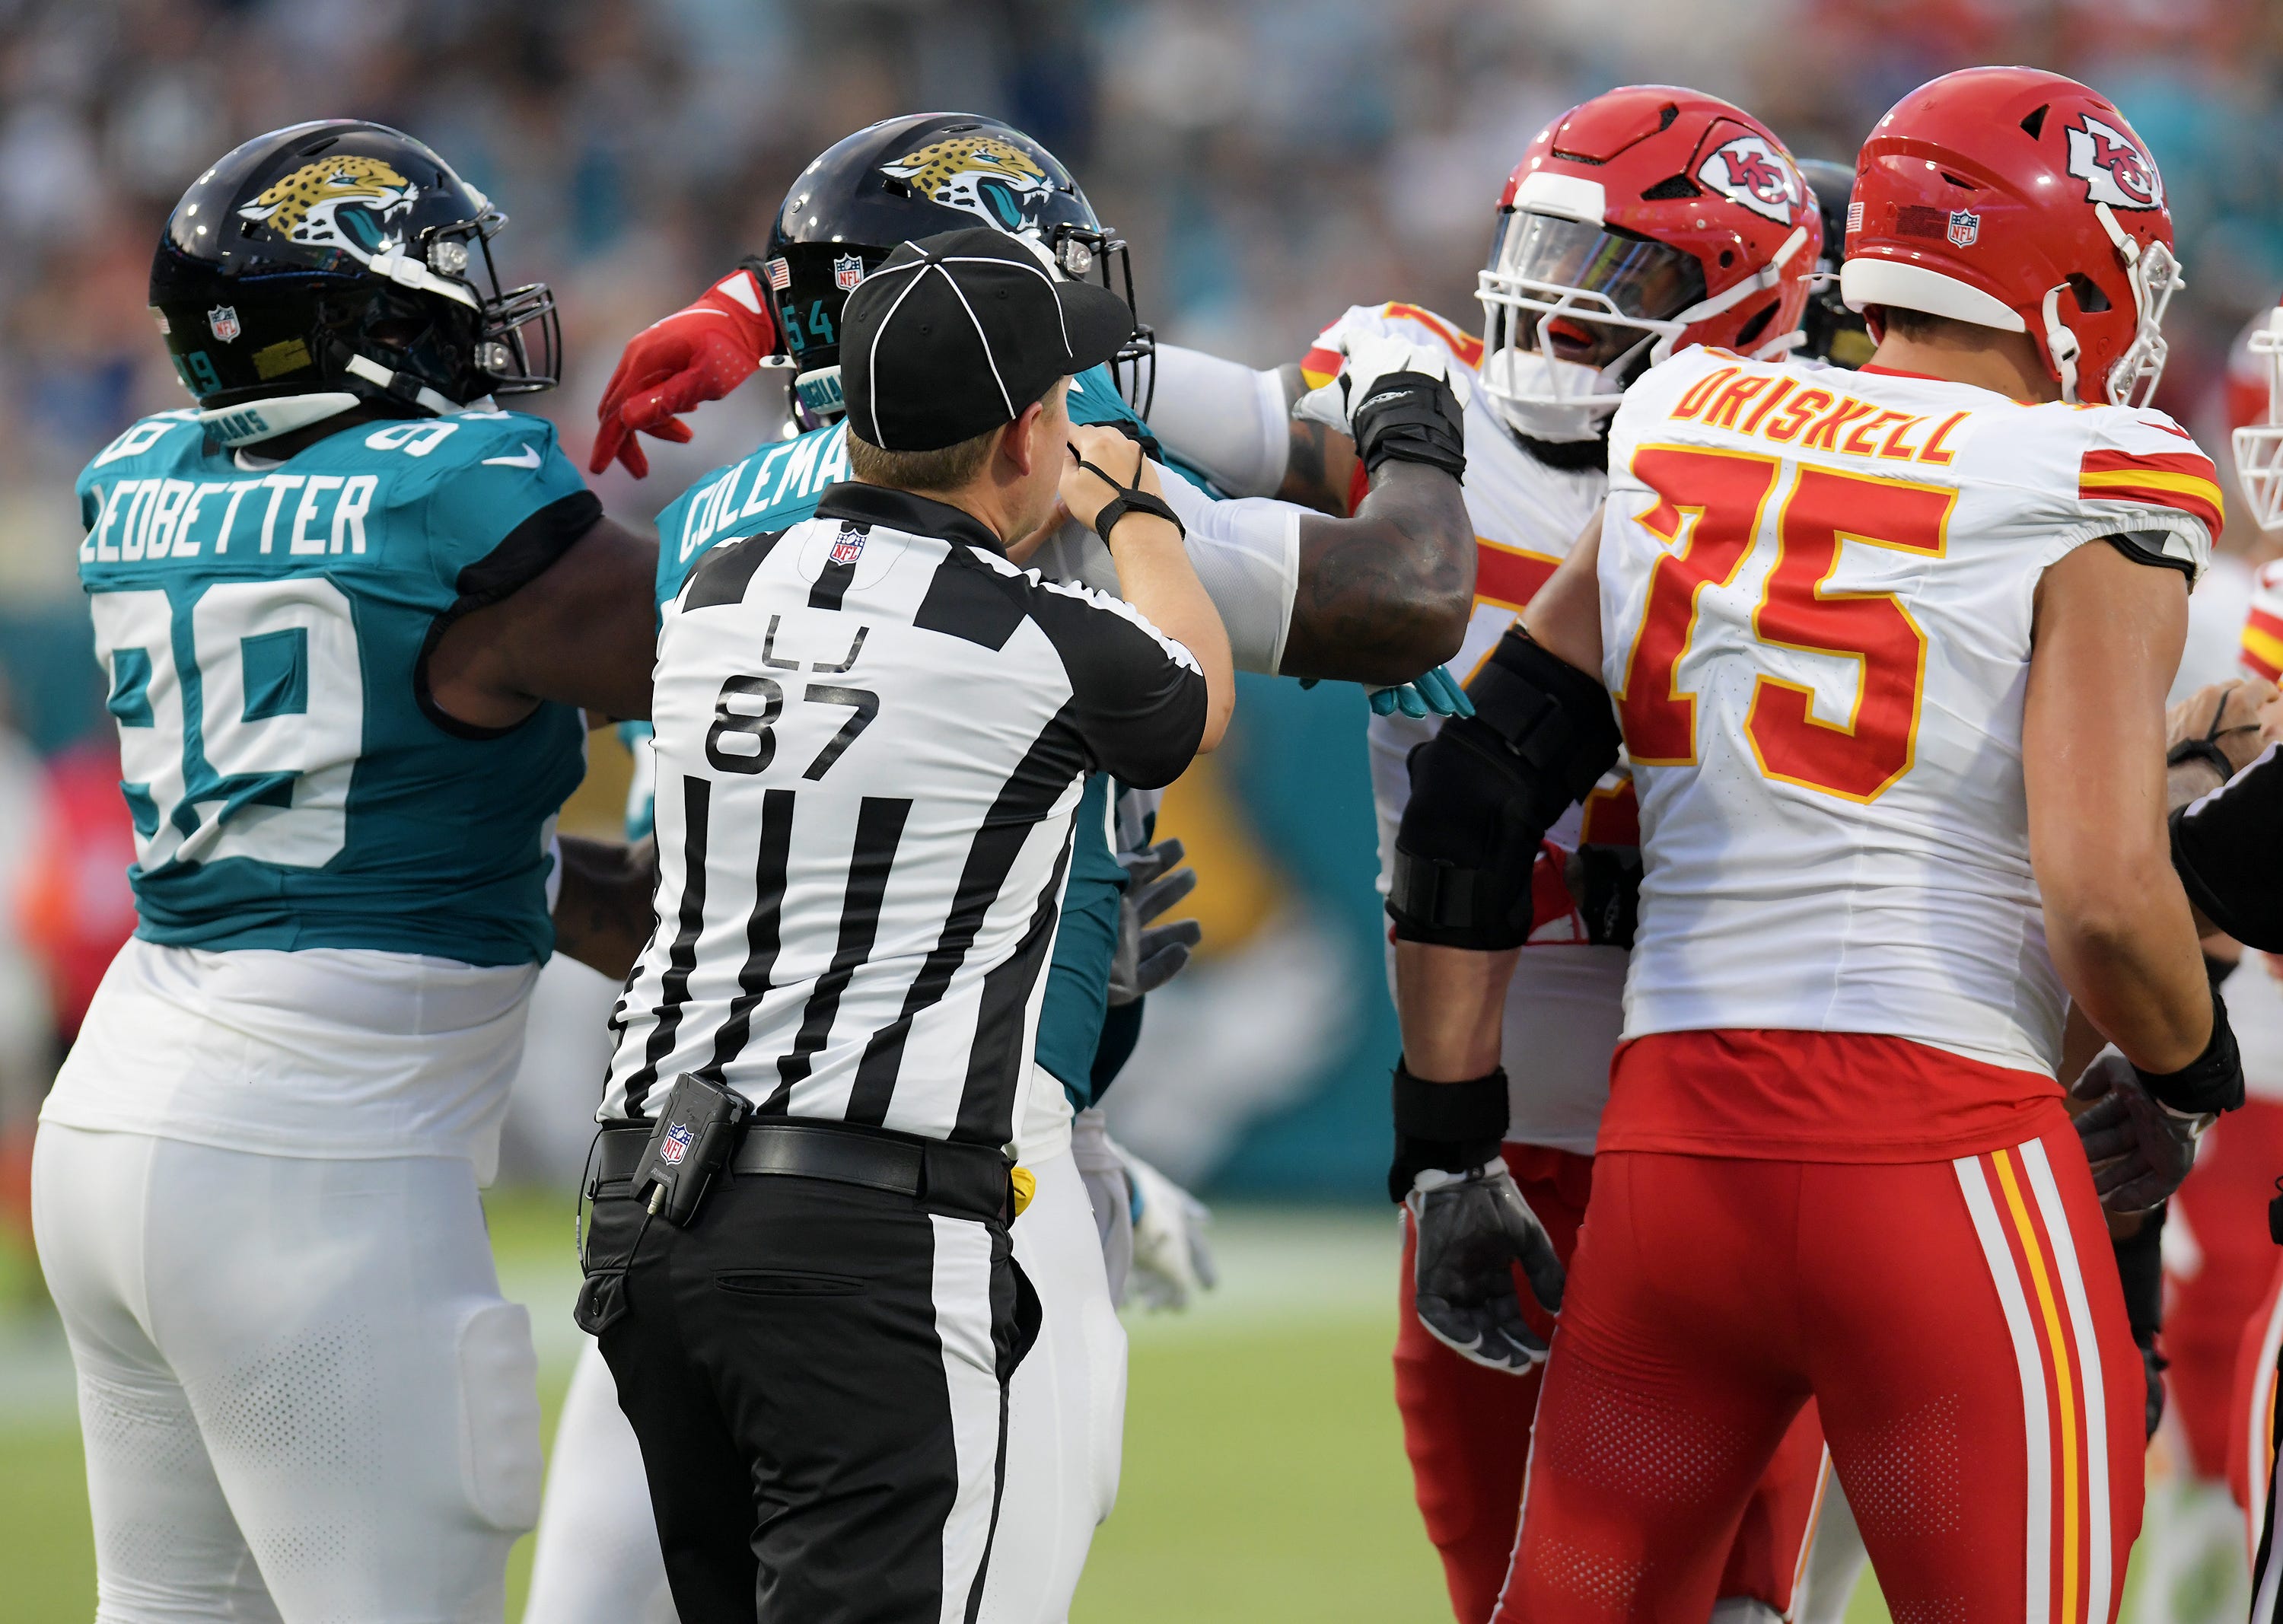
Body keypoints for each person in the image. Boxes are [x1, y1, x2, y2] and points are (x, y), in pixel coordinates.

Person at [528, 110, 1477, 1624]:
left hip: (675, 1178)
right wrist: (1413, 404)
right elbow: (1407, 593)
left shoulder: (714, 544)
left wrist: (755, 300)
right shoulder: (1060, 521)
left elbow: (660, 904)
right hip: (943, 1187)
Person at [1388, 65, 2240, 1618]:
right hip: (1942, 1154)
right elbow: (2107, 894)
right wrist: (2190, 1080)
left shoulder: (1684, 417)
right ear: (2073, 274)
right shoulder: (2099, 479)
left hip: (1672, 1167)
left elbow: (1474, 788)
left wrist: (1446, 1145)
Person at [1142, 84, 1845, 1624]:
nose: (1557, 299)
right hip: (1491, 1120)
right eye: (1545, 247)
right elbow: (1190, 405)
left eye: (1624, 277)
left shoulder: (1813, 468)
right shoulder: (1428, 410)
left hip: (1718, 1120)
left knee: (1733, 1603)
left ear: (1752, 304)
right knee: (1508, 1591)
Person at [30, 119, 660, 1622]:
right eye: (444, 277)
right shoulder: (452, 492)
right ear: (367, 308)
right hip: (317, 1158)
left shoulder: (141, 476)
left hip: (120, 1114)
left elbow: (380, 792)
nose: (472, 306)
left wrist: (597, 902)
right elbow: (748, 637)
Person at [576, 227, 1234, 1624]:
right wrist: (1138, 514)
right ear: (1024, 436)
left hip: (653, 1197)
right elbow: (1194, 694)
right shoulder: (1046, 636)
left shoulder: (714, 586)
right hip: (860, 1225)